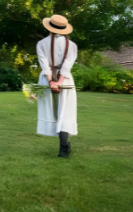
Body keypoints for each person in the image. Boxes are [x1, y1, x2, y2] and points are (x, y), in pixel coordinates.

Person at [36, 14, 78, 158]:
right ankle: (63, 148)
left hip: (47, 81)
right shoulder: (72, 46)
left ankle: (64, 147)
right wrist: (59, 82)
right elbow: (67, 67)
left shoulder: (41, 43)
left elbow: (45, 66)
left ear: (49, 27)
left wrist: (51, 82)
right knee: (64, 112)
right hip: (65, 81)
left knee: (52, 112)